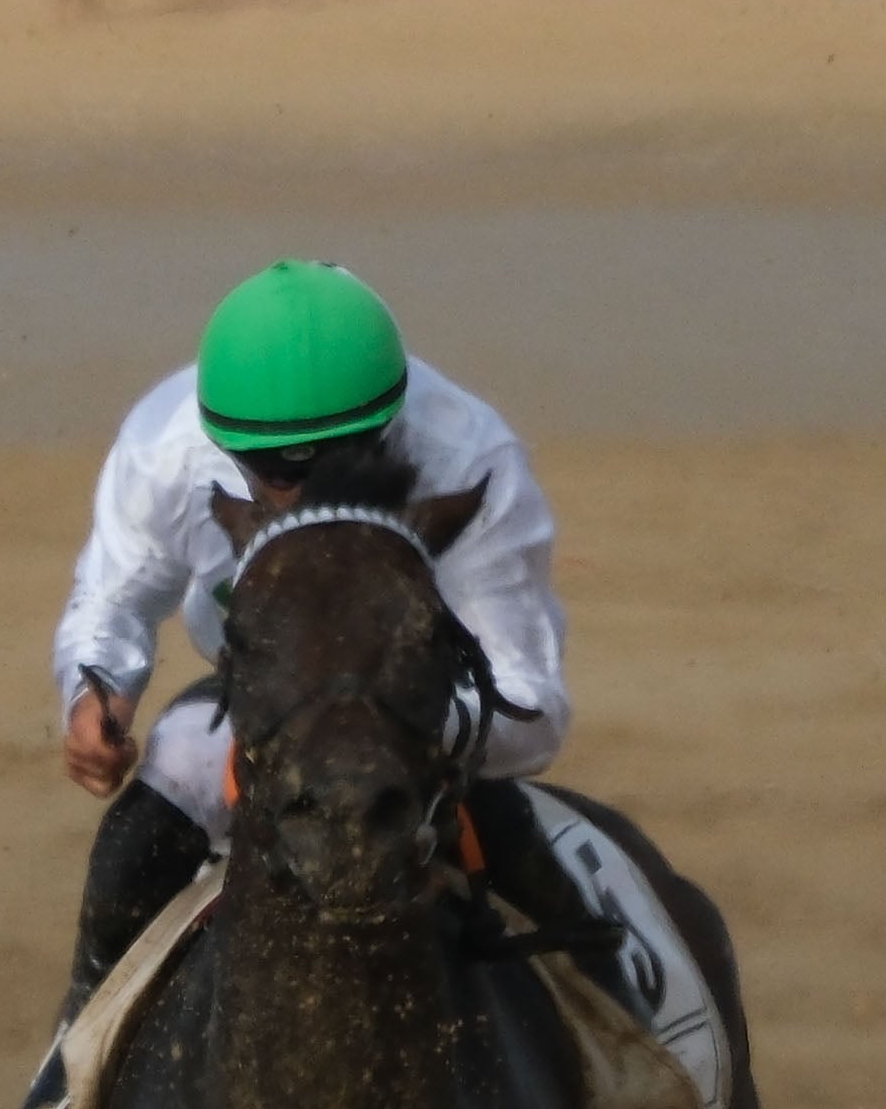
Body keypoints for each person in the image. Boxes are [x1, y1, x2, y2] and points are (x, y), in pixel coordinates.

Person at [49, 259, 572, 1010]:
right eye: (265, 468)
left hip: (423, 729)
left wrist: (398, 728)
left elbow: (533, 714)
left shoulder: (468, 462)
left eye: (331, 464)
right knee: (130, 851)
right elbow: (115, 593)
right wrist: (95, 691)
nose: (292, 492)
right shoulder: (163, 445)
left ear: (390, 427)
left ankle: (637, 1051)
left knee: (551, 901)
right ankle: (69, 1083)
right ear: (219, 442)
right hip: (255, 709)